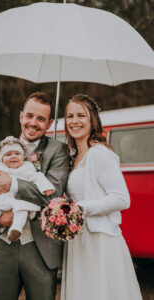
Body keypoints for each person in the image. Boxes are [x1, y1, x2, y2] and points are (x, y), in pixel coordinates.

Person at [0, 92, 70, 300]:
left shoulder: (59, 151)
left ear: (49, 123)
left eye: (41, 119)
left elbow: (53, 196)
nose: (33, 123)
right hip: (2, 245)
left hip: (41, 249)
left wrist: (11, 183)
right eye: (29, 116)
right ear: (21, 116)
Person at [60, 94, 142, 300]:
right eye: (70, 116)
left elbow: (122, 198)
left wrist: (81, 208)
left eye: (81, 115)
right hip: (78, 242)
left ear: (92, 120)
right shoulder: (73, 158)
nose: (74, 121)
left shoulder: (100, 154)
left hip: (101, 241)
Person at [0, 136, 55, 254]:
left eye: (17, 153)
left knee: (23, 210)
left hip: (19, 199)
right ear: (1, 158)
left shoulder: (27, 166)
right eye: (8, 154)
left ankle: (16, 229)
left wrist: (46, 187)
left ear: (23, 156)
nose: (13, 156)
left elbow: (37, 177)